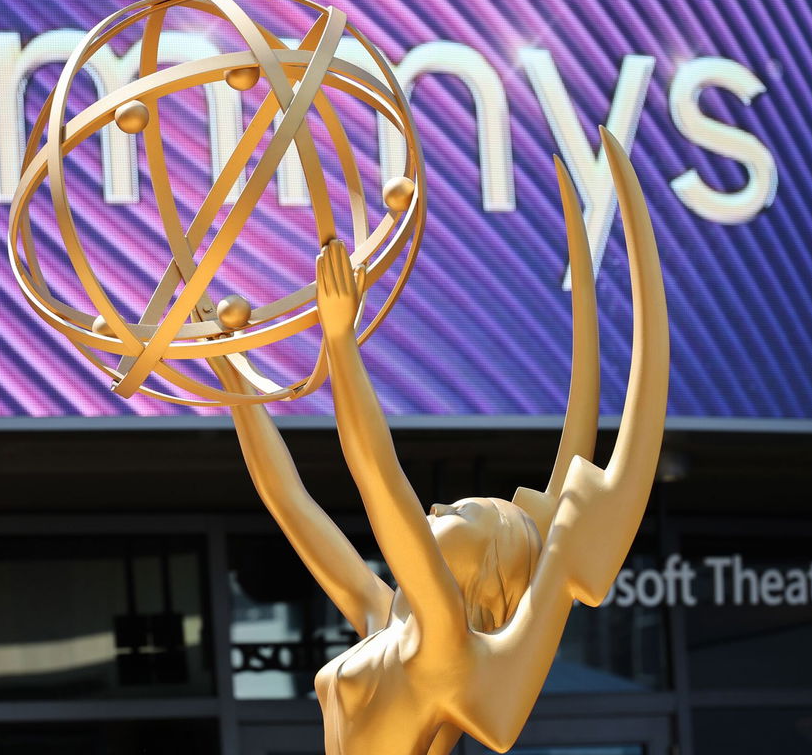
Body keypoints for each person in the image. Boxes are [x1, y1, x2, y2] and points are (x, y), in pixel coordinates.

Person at [211, 130, 668, 755]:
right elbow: (288, 501)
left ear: (485, 570)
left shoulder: (443, 637)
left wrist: (341, 345)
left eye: (460, 513)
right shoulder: (382, 619)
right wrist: (232, 376)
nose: (437, 507)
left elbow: (378, 478)